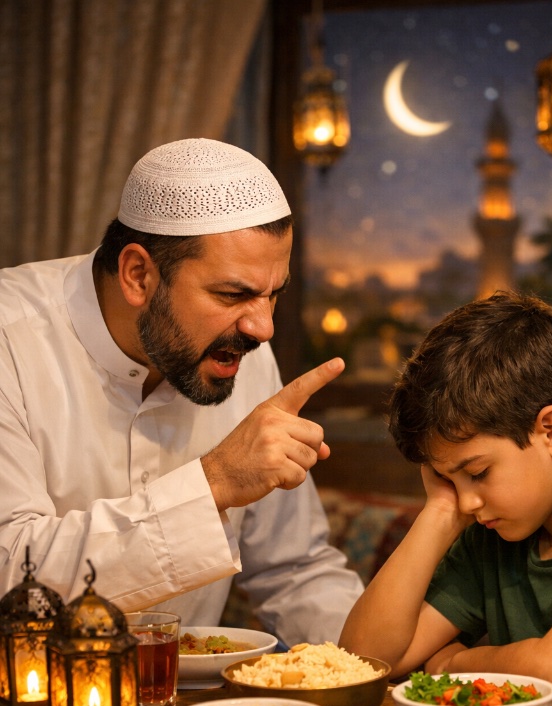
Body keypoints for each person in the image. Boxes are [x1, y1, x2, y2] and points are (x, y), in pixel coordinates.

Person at [0, 138, 363, 644]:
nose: (263, 329)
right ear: (138, 275)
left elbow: (295, 568)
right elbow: (12, 570)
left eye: (272, 294)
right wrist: (214, 482)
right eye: (233, 294)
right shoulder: (9, 336)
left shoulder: (235, 345)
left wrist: (382, 666)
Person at [339, 292, 552, 706]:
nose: (468, 501)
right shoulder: (494, 530)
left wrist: (456, 663)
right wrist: (440, 511)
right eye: (450, 480)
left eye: (478, 472)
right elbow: (361, 662)